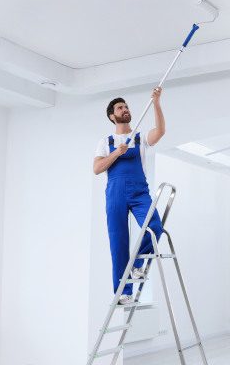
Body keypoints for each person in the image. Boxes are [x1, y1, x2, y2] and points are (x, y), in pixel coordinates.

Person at [93, 86, 165, 305]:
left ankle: (135, 266)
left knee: (154, 226)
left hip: (139, 191)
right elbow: (97, 169)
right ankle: (124, 293)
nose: (125, 109)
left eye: (126, 106)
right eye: (120, 107)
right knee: (118, 241)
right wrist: (117, 152)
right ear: (112, 116)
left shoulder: (140, 138)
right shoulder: (105, 142)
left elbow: (160, 132)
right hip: (115, 193)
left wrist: (156, 103)